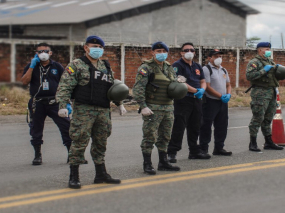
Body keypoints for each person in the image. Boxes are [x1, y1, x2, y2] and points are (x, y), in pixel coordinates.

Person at [56, 36, 126, 189]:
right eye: (94, 46)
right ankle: (74, 176)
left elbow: (112, 87)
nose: (98, 49)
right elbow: (65, 86)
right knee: (79, 142)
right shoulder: (76, 65)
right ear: (86, 47)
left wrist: (119, 104)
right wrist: (62, 105)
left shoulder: (105, 66)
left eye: (100, 47)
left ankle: (101, 174)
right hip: (84, 110)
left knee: (101, 142)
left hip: (103, 110)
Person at [21, 43, 79, 165]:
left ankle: (71, 154)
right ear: (36, 54)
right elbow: (24, 81)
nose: (43, 53)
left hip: (55, 102)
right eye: (40, 51)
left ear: (50, 53)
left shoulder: (56, 66)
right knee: (36, 129)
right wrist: (32, 66)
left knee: (66, 126)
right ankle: (37, 155)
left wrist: (67, 101)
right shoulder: (32, 66)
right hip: (37, 103)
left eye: (46, 51)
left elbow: (65, 83)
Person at [133, 41, 181, 175]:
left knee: (165, 136)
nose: (161, 54)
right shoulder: (146, 67)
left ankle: (163, 162)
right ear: (152, 52)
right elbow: (138, 88)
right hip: (152, 108)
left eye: (163, 51)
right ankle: (147, 164)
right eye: (158, 51)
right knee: (149, 136)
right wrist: (143, 106)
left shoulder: (169, 67)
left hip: (168, 107)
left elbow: (173, 84)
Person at [167, 42, 209, 163]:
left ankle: (194, 151)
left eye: (191, 50)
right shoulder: (177, 65)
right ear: (181, 52)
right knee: (179, 126)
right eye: (186, 50)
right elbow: (180, 81)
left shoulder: (197, 66)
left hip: (197, 99)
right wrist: (195, 90)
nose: (189, 52)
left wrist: (202, 90)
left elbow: (203, 80)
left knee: (195, 126)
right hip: (183, 99)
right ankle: (172, 152)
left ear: (195, 52)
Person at [245, 42, 284, 152]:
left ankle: (268, 142)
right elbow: (249, 76)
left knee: (268, 118)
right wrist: (263, 70)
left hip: (271, 92)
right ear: (259, 50)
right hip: (260, 93)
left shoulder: (270, 62)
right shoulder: (254, 62)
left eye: (269, 49)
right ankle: (252, 143)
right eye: (266, 49)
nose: (268, 51)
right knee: (258, 118)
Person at [200, 49, 232, 156]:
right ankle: (203, 149)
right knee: (206, 125)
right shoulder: (206, 69)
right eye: (216, 56)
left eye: (220, 56)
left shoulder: (224, 70)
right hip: (210, 101)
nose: (219, 58)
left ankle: (219, 148)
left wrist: (228, 94)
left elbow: (228, 84)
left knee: (222, 125)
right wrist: (220, 96)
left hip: (223, 102)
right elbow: (207, 87)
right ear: (209, 58)